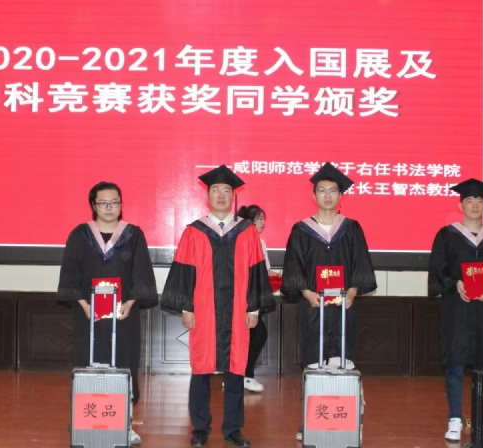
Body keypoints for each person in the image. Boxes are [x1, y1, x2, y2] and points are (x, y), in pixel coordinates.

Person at [160, 165, 276, 448]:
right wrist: (187, 308)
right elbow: (184, 272)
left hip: (238, 312)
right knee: (201, 368)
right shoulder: (194, 231)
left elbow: (256, 272)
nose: (221, 195)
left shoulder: (247, 231)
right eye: (216, 190)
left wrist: (253, 310)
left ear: (233, 195)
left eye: (226, 190)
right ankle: (200, 427)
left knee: (236, 369)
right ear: (208, 195)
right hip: (204, 311)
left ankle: (233, 429)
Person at [281, 162, 377, 441]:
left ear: (340, 195)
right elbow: (294, 266)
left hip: (344, 307)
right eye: (322, 190)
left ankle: (344, 419)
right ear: (314, 195)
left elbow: (360, 263)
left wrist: (352, 292)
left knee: (343, 361)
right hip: (314, 307)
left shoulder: (351, 229)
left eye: (332, 190)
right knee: (313, 362)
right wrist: (305, 292)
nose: (327, 195)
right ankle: (309, 421)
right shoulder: (301, 230)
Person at [58, 181, 158, 446]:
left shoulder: (133, 235)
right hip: (88, 316)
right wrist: (84, 305)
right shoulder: (80, 235)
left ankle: (125, 424)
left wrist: (131, 302)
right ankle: (86, 421)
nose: (110, 207)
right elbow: (70, 274)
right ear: (93, 205)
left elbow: (141, 273)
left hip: (123, 315)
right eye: (103, 203)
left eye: (115, 202)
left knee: (125, 363)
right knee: (88, 362)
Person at [427, 178, 483, 442]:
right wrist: (455, 284)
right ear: (461, 205)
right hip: (457, 309)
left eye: (480, 200)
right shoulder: (447, 235)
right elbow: (437, 272)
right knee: (455, 365)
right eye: (470, 200)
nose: (475, 205)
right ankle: (455, 419)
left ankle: (482, 419)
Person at [236, 204, 281, 393]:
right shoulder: (239, 240)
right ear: (250, 221)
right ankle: (243, 376)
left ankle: (240, 376)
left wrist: (282, 276)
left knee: (254, 335)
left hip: (255, 297)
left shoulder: (260, 242)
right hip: (240, 297)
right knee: (254, 335)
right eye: (260, 218)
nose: (264, 222)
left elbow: (265, 271)